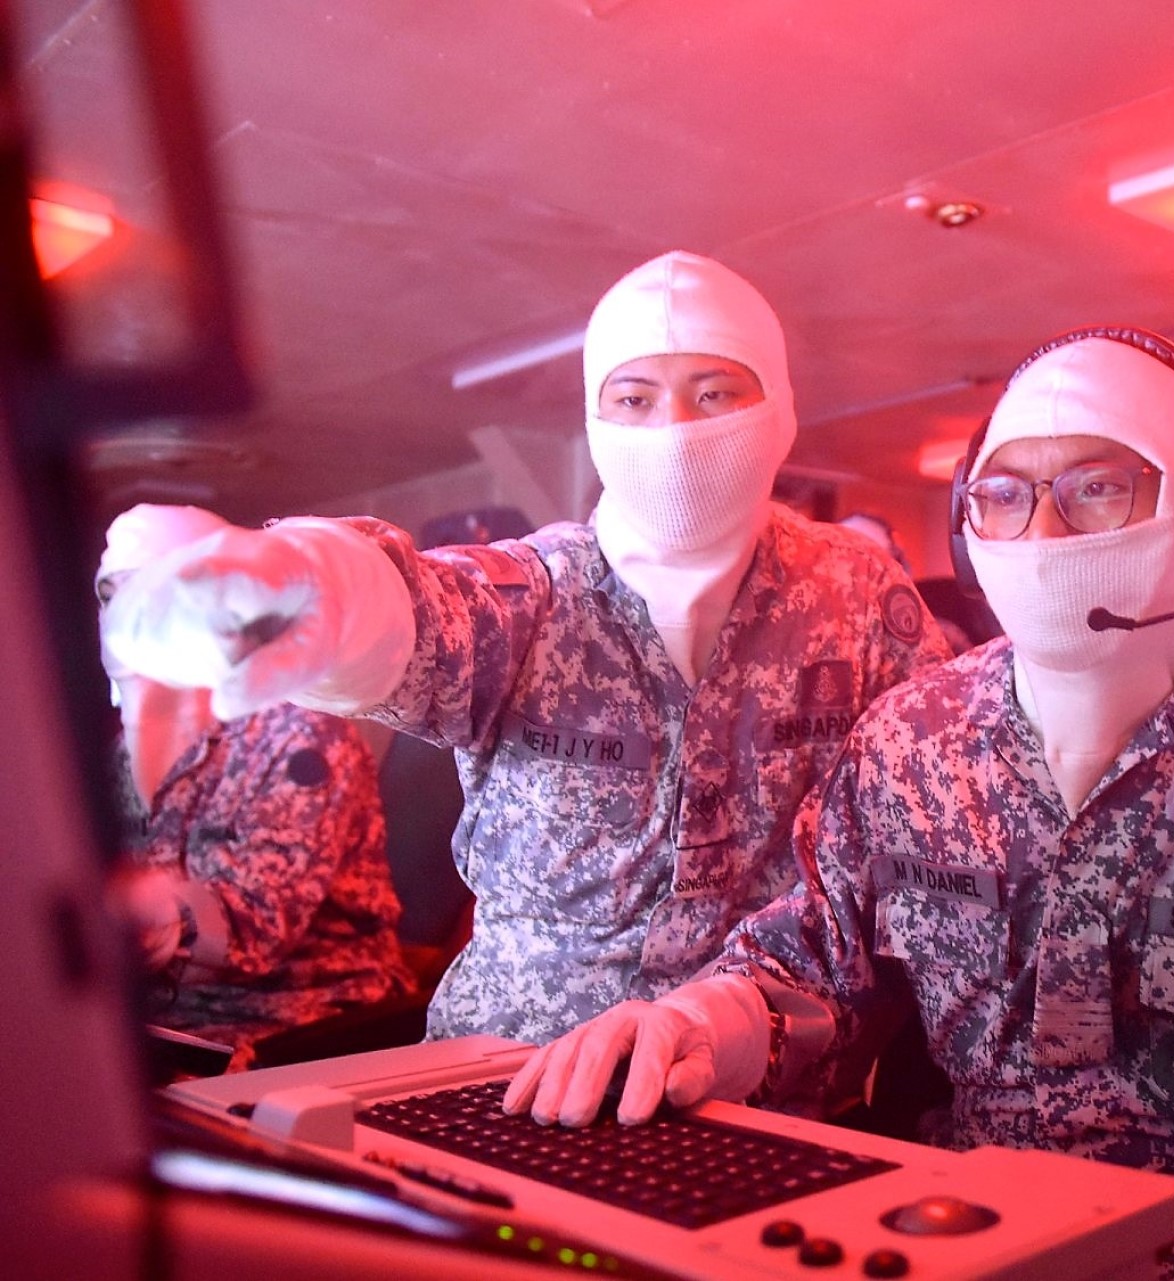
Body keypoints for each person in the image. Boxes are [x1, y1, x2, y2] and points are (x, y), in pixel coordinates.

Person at [503, 331, 1174, 1279]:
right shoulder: (908, 738)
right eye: (1006, 496)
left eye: (1097, 486)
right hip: (946, 1230)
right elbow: (810, 962)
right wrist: (698, 1024)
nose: (1044, 535)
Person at [100, 251, 951, 1046]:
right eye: (634, 399)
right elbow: (422, 609)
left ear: (779, 411)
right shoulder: (536, 593)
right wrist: (326, 582)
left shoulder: (856, 596)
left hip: (752, 1069)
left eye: (715, 392)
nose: (674, 430)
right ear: (596, 417)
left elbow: (936, 805)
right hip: (506, 1066)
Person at [99, 504, 413, 1071]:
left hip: (305, 1027)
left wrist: (125, 912)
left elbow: (257, 928)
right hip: (169, 1027)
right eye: (109, 593)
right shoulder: (116, 757)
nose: (122, 614)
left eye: (146, 589)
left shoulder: (300, 737)